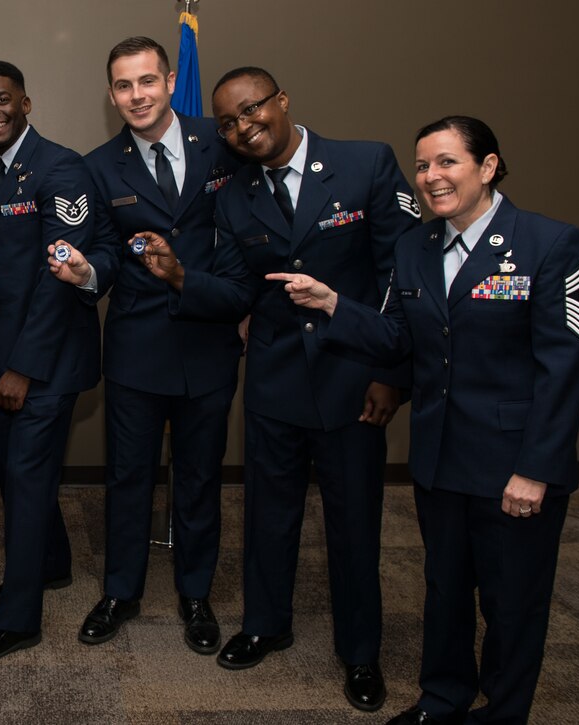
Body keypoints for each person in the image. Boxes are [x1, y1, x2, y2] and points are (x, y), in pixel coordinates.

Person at [269, 115, 579, 725]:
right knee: (444, 589)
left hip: (513, 465)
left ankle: (503, 711)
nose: (431, 177)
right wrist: (334, 302)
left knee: (512, 601)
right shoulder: (414, 246)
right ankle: (442, 699)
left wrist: (536, 469)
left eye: (447, 162)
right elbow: (397, 338)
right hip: (440, 455)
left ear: (487, 167)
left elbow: (565, 368)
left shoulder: (550, 243)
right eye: (422, 166)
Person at [143, 66, 421, 711]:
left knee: (354, 525)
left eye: (252, 110)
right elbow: (241, 287)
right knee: (269, 518)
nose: (244, 128)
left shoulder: (364, 164)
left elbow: (403, 277)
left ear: (282, 100)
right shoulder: (235, 195)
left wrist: (392, 376)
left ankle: (361, 653)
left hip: (356, 379)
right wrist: (184, 276)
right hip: (273, 381)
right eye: (230, 123)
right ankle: (267, 623)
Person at [45, 37, 243, 654]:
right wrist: (85, 274)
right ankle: (121, 592)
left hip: (209, 340)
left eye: (147, 82)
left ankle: (194, 593)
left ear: (170, 80)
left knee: (199, 478)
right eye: (124, 87)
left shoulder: (223, 141)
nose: (137, 96)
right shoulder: (99, 165)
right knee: (127, 479)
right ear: (111, 94)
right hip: (135, 346)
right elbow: (103, 248)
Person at [0, 60, 101, 661]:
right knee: (16, 475)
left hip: (45, 361)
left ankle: (17, 618)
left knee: (27, 480)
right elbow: (0, 270)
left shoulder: (62, 168)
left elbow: (58, 276)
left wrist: (24, 368)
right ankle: (53, 563)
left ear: (26, 103)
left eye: (1, 100)